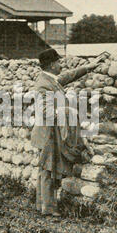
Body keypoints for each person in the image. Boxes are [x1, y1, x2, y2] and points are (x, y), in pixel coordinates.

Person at [31, 48, 102, 217]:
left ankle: (42, 205)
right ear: (52, 65)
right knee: (47, 169)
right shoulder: (43, 85)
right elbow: (47, 113)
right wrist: (68, 111)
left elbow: (68, 77)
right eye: (59, 62)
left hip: (49, 132)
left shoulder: (49, 79)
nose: (61, 65)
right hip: (47, 133)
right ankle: (48, 209)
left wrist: (88, 67)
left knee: (45, 169)